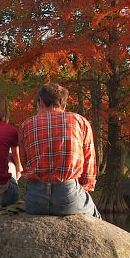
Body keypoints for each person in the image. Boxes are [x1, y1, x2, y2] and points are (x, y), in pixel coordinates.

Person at [19, 83, 101, 218]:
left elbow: (25, 163)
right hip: (68, 195)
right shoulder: (80, 121)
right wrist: (84, 187)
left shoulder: (26, 125)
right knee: (96, 217)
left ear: (40, 101)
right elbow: (89, 166)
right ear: (63, 102)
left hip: (35, 199)